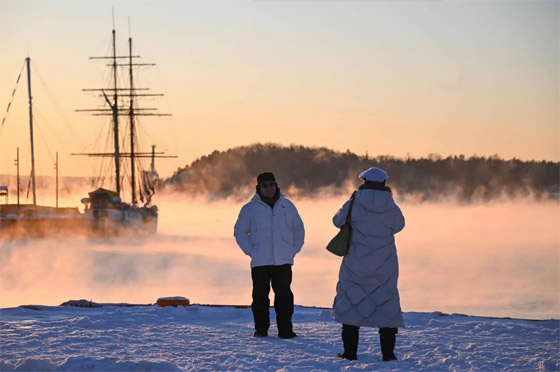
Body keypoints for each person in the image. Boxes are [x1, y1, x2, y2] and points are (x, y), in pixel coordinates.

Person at [332, 167, 405, 361]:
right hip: (385, 264)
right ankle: (388, 354)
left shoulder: (354, 202)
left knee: (351, 305)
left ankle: (350, 353)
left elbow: (337, 220)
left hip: (355, 261)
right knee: (386, 306)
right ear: (384, 183)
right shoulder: (390, 205)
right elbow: (399, 225)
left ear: (363, 181)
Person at [234, 172, 305, 339]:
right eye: (264, 185)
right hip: (260, 261)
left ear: (276, 185)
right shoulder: (249, 209)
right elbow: (240, 232)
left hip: (283, 260)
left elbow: (299, 229)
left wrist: (293, 249)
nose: (269, 188)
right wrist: (251, 251)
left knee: (284, 297)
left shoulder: (287, 206)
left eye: (271, 184)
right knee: (260, 296)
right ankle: (261, 329)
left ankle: (285, 330)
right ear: (259, 188)